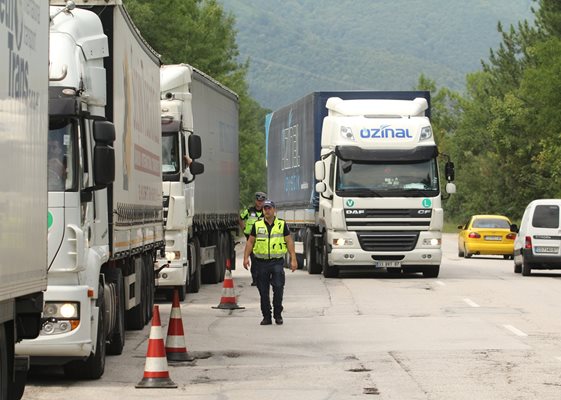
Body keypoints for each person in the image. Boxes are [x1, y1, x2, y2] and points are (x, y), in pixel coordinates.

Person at [243, 200, 297, 326]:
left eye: (269, 208)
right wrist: (246, 258)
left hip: (277, 262)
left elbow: (289, 241)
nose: (267, 211)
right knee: (263, 291)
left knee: (278, 287)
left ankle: (277, 314)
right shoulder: (257, 225)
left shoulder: (282, 224)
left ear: (274, 210)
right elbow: (250, 242)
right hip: (261, 263)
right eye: (265, 208)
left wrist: (293, 258)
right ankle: (266, 316)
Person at [239, 191, 267, 285]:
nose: (260, 202)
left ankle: (263, 278)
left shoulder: (266, 212)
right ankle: (255, 279)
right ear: (255, 201)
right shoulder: (249, 211)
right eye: (258, 200)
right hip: (251, 239)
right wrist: (244, 229)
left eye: (262, 201)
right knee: (254, 261)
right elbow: (240, 218)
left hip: (263, 240)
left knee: (263, 260)